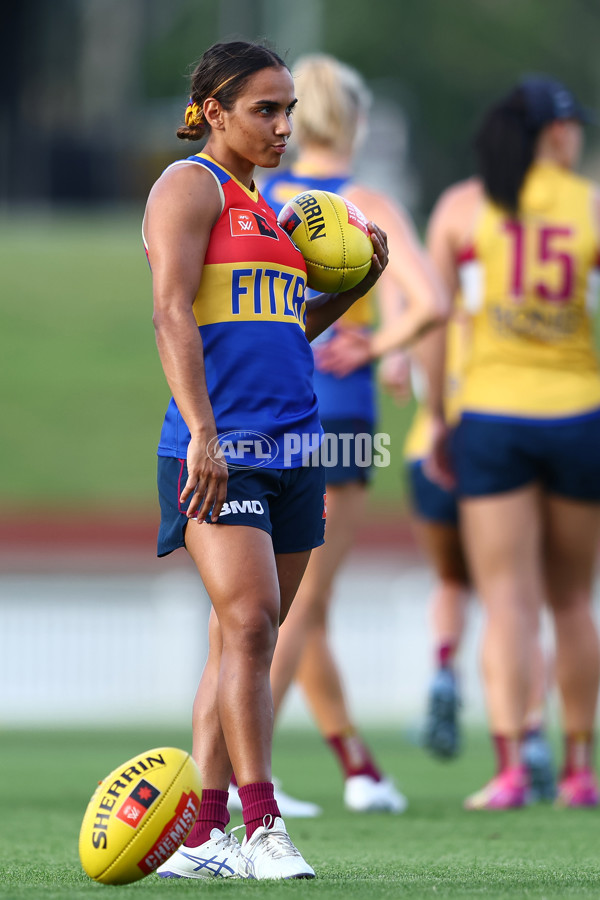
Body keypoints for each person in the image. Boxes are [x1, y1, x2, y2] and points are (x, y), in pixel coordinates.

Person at [142, 40, 391, 879]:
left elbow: (286, 338)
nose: (285, 126)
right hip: (218, 452)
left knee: (241, 639)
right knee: (250, 626)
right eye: (266, 110)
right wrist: (204, 434)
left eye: (288, 110)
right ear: (213, 111)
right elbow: (172, 315)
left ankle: (205, 838)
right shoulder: (190, 189)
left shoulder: (274, 215)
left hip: (298, 447)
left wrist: (351, 291)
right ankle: (262, 825)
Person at [247, 53, 446, 815]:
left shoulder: (264, 195)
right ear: (356, 120)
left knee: (297, 601)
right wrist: (382, 344)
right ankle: (241, 774)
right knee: (298, 604)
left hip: (262, 409)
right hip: (342, 424)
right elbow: (427, 300)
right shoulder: (363, 201)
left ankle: (357, 769)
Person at [425, 75, 600, 809]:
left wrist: (437, 415)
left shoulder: (465, 206)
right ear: (556, 134)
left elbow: (436, 324)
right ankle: (578, 769)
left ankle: (506, 767)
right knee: (571, 602)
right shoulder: (590, 203)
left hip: (492, 418)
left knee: (506, 601)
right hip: (579, 415)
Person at [404, 325, 557, 801]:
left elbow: (410, 363)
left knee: (452, 581)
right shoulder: (510, 302)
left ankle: (445, 664)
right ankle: (530, 729)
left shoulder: (432, 301)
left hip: (426, 448)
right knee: (515, 600)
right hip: (499, 440)